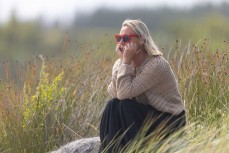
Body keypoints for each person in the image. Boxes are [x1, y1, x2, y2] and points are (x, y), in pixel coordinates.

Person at [99, 19, 186, 152]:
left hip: (169, 120)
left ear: (142, 40)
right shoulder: (121, 64)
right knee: (112, 105)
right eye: (119, 38)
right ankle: (109, 149)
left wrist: (125, 62)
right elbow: (114, 92)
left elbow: (123, 94)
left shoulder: (156, 65)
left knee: (125, 106)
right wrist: (123, 62)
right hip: (144, 114)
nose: (121, 43)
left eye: (127, 38)